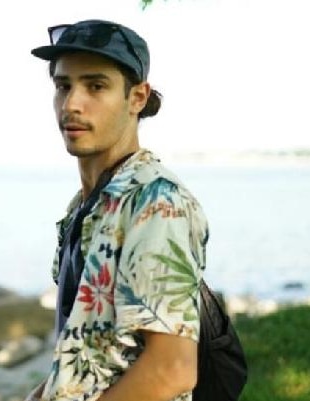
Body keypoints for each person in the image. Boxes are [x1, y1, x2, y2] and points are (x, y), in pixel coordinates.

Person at [26, 19, 209, 401]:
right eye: (63, 86)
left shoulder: (157, 204)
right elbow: (83, 352)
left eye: (96, 86)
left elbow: (173, 368)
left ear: (137, 98)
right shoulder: (86, 206)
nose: (72, 103)